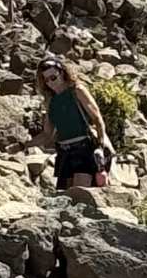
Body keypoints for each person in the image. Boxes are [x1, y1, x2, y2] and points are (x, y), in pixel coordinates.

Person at [37, 50, 112, 197]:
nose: (51, 83)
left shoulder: (77, 90)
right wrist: (23, 145)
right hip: (65, 152)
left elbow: (97, 118)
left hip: (84, 149)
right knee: (64, 198)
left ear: (62, 73)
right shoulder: (51, 101)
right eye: (46, 80)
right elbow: (47, 135)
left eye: (53, 77)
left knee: (79, 196)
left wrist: (101, 146)